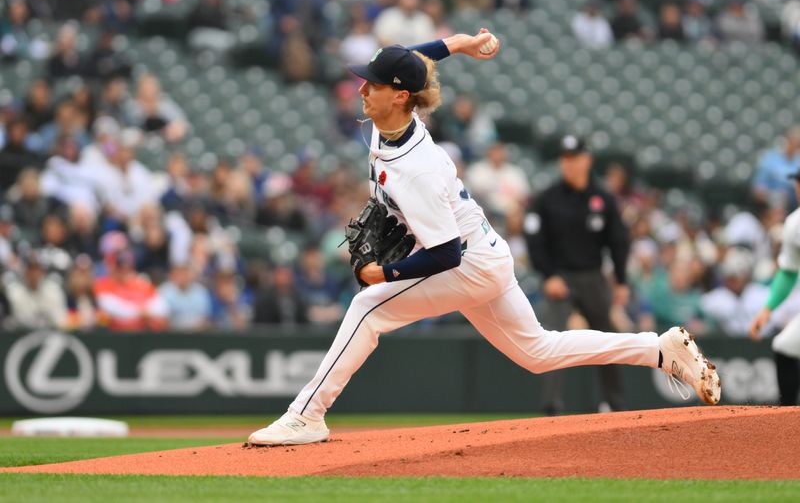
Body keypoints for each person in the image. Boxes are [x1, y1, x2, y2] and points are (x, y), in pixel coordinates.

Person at [247, 32, 721, 446]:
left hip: (466, 262)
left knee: (367, 309)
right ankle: (659, 350)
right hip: (488, 256)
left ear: (399, 95)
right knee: (538, 353)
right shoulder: (392, 113)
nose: (362, 87)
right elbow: (417, 57)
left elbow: (446, 252)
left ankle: (305, 416)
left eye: (372, 82)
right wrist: (463, 43)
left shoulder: (418, 168)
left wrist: (385, 272)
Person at [524, 135, 632, 414]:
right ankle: (551, 406)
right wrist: (548, 275)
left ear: (587, 159)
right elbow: (535, 241)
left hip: (593, 277)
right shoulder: (547, 199)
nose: (568, 164)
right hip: (561, 277)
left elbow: (618, 241)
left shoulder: (603, 198)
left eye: (574, 158)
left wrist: (621, 280)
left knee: (607, 339)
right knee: (552, 342)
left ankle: (615, 403)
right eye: (564, 159)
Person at [750, 171, 800, 406]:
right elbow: (789, 271)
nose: (798, 188)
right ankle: (788, 422)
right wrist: (768, 308)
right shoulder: (794, 223)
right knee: (784, 346)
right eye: (798, 183)